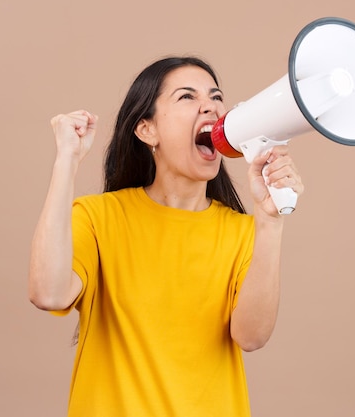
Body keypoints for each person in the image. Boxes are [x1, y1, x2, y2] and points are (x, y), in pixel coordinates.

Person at [28, 56, 304, 417]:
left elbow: (251, 337)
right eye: (187, 97)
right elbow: (48, 294)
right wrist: (66, 159)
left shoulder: (243, 232)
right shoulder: (98, 218)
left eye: (215, 96)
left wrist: (270, 221)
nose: (210, 105)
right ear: (147, 131)